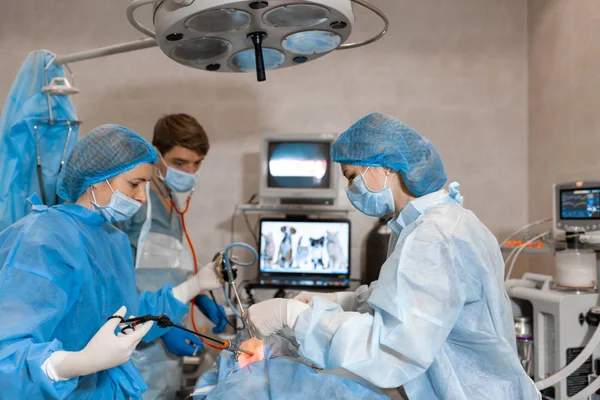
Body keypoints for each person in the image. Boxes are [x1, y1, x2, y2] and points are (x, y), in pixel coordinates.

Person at [246, 113, 541, 400]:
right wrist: (339, 301)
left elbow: (389, 346)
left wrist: (293, 316)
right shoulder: (441, 222)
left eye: (351, 177)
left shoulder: (434, 236)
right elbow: (404, 301)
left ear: (385, 168)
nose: (351, 189)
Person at [0, 125, 222, 399]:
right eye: (134, 184)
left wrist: (194, 286)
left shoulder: (112, 239)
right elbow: (8, 352)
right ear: (96, 179)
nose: (142, 197)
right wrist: (74, 364)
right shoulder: (43, 238)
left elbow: (128, 313)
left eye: (146, 185)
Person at [119, 114, 227, 399]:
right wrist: (160, 328)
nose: (190, 172)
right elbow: (115, 280)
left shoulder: (170, 204)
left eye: (197, 163)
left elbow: (163, 269)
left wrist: (198, 296)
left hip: (163, 346)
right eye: (180, 163)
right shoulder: (135, 203)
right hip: (135, 346)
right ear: (157, 155)